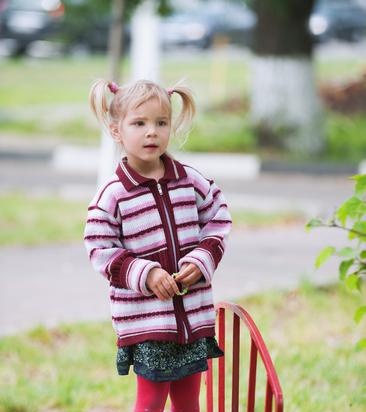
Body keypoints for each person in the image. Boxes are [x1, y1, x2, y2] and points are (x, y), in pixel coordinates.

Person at [84, 78, 232, 412]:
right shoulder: (113, 195)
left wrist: (203, 257)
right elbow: (99, 247)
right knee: (150, 403)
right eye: (139, 123)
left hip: (192, 318)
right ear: (116, 130)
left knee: (188, 402)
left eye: (161, 123)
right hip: (148, 321)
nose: (152, 132)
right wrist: (147, 274)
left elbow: (218, 217)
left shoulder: (190, 181)